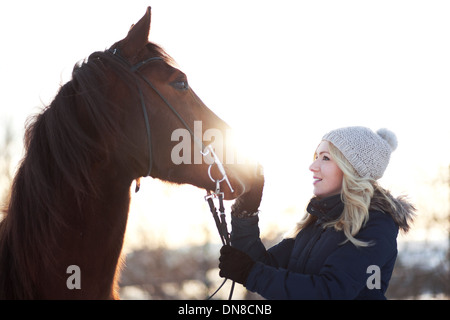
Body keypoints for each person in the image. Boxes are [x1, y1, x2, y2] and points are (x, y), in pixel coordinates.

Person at [218, 126, 415, 299]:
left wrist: (250, 273)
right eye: (316, 157)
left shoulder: (376, 226)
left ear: (352, 170)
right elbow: (263, 265)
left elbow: (330, 291)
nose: (313, 166)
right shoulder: (318, 223)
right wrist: (246, 210)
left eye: (325, 158)